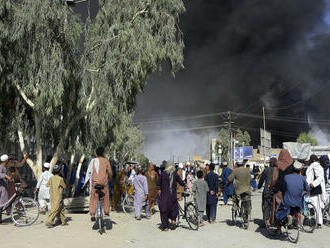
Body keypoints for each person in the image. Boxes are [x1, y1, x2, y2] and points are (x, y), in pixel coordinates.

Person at [275, 161, 310, 230]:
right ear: (300, 170)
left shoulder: (286, 177)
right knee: (297, 208)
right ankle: (300, 215)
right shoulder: (303, 178)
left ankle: (288, 216)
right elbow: (307, 189)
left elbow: (283, 188)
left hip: (288, 200)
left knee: (281, 209)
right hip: (298, 201)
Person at [84, 147, 112, 220]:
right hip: (103, 183)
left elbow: (89, 172)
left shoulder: (93, 161)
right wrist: (110, 177)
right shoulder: (106, 161)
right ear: (103, 153)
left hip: (95, 183)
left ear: (96, 153)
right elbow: (109, 172)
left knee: (93, 197)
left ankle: (92, 213)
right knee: (106, 196)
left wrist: (86, 183)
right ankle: (106, 211)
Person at [157, 163, 185, 231]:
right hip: (172, 195)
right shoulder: (175, 174)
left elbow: (158, 184)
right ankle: (173, 221)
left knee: (164, 210)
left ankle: (165, 226)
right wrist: (185, 184)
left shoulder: (163, 174)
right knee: (173, 209)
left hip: (164, 195)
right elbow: (181, 182)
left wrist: (159, 190)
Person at [306, 154, 326, 228]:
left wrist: (313, 184)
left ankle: (318, 223)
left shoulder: (316, 166)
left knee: (316, 206)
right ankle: (317, 222)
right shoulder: (316, 166)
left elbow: (319, 177)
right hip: (313, 189)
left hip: (315, 189)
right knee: (315, 206)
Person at [258, 157, 277, 226]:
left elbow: (261, 180)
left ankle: (266, 221)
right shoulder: (278, 170)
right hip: (276, 191)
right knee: (274, 206)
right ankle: (274, 220)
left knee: (266, 206)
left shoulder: (266, 170)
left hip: (267, 190)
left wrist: (259, 186)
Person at [0, 154, 11, 224]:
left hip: (3, 187)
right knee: (1, 204)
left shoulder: (4, 167)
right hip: (1, 188)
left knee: (1, 204)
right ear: (6, 160)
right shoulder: (1, 167)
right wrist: (6, 176)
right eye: (8, 160)